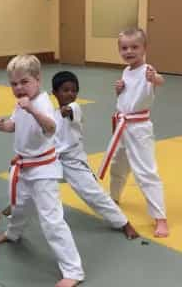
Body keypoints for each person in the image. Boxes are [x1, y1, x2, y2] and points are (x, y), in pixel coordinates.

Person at [0, 55, 84, 287]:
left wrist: (32, 109)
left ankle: (73, 270)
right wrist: (7, 126)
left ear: (37, 79)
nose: (19, 88)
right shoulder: (22, 102)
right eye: (14, 84)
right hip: (25, 166)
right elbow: (17, 123)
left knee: (52, 220)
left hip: (43, 170)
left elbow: (51, 127)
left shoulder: (41, 102)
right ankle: (13, 233)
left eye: (24, 82)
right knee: (20, 206)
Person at [99, 27, 169, 238]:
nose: (129, 51)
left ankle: (160, 217)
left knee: (146, 171)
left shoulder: (148, 69)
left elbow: (159, 81)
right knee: (118, 164)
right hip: (122, 126)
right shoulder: (127, 71)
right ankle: (114, 198)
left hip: (139, 129)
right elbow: (127, 99)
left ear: (144, 48)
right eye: (124, 48)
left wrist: (154, 78)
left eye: (134, 47)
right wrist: (119, 89)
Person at [52, 71, 139, 240]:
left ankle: (124, 223)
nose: (70, 94)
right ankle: (16, 207)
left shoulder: (75, 108)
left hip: (73, 162)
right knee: (29, 179)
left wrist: (67, 109)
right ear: (54, 92)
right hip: (53, 160)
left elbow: (69, 111)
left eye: (74, 90)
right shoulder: (52, 114)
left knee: (94, 194)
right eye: (65, 90)